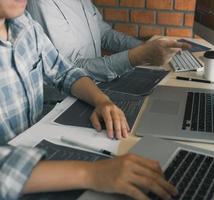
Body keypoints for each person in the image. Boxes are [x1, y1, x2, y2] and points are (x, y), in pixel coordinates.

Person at [0, 1, 177, 200]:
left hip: (38, 153)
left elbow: (64, 70)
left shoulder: (24, 24)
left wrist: (102, 101)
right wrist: (91, 173)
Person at [26, 0, 190, 83]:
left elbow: (104, 33)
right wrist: (137, 56)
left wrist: (144, 47)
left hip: (96, 85)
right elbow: (68, 68)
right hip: (63, 101)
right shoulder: (42, 4)